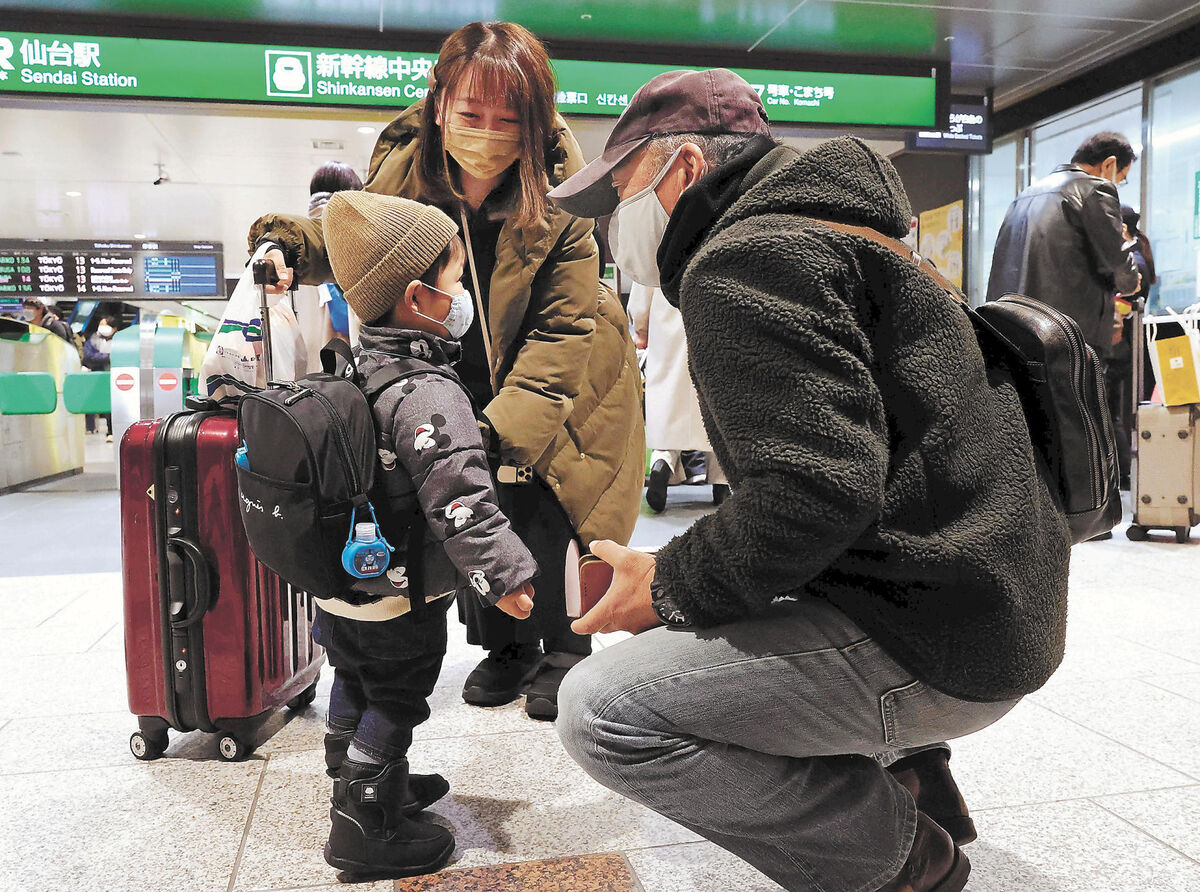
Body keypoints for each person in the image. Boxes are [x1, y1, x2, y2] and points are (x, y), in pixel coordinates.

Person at [548, 69, 1070, 892]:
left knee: (605, 713)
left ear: (681, 168)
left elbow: (815, 492)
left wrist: (670, 584)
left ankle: (901, 859)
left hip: (941, 637)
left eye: (622, 191)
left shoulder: (743, 261)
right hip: (997, 601)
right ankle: (914, 778)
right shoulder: (854, 232)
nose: (618, 222)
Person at [248, 21, 643, 721]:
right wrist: (285, 245)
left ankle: (562, 648)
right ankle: (506, 649)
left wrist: (498, 432)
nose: (488, 132)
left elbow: (562, 329)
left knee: (543, 510)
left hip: (559, 377)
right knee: (461, 509)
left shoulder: (565, 196)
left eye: (509, 118)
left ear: (535, 119)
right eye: (471, 113)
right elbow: (361, 240)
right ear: (438, 105)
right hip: (449, 366)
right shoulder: (405, 169)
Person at [315, 189, 539, 879]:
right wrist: (506, 578)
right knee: (398, 692)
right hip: (398, 594)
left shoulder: (355, 369)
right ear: (418, 298)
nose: (461, 291)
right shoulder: (429, 392)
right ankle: (362, 814)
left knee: (353, 672)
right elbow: (460, 497)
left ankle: (358, 770)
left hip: (341, 588)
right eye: (452, 278)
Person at [986, 131, 1141, 359]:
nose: (1118, 184)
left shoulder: (1024, 196)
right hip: (1068, 340)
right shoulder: (1095, 189)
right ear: (1110, 164)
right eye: (1121, 177)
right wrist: (1131, 278)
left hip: (1013, 333)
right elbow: (1119, 266)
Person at [626, 282, 728, 512]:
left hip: (669, 304)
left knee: (670, 393)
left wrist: (640, 326)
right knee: (716, 395)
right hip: (716, 302)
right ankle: (722, 480)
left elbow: (644, 271)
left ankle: (663, 459)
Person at [291, 160, 362, 363]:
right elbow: (346, 323)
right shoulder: (354, 247)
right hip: (346, 369)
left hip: (308, 373)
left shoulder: (295, 246)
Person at [81, 315, 114, 439]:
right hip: (98, 377)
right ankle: (91, 427)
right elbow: (88, 356)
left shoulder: (120, 340)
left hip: (114, 377)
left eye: (105, 325)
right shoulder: (93, 339)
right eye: (101, 324)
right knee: (96, 402)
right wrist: (107, 357)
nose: (102, 328)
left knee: (112, 406)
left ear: (114, 328)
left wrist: (99, 356)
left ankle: (111, 430)